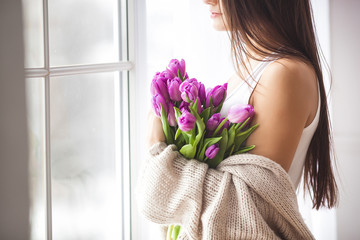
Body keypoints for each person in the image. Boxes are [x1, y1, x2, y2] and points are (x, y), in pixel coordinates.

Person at [142, 0, 338, 239]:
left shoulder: (284, 73)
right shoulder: (255, 66)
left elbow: (245, 208)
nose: (208, 1)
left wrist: (158, 149)